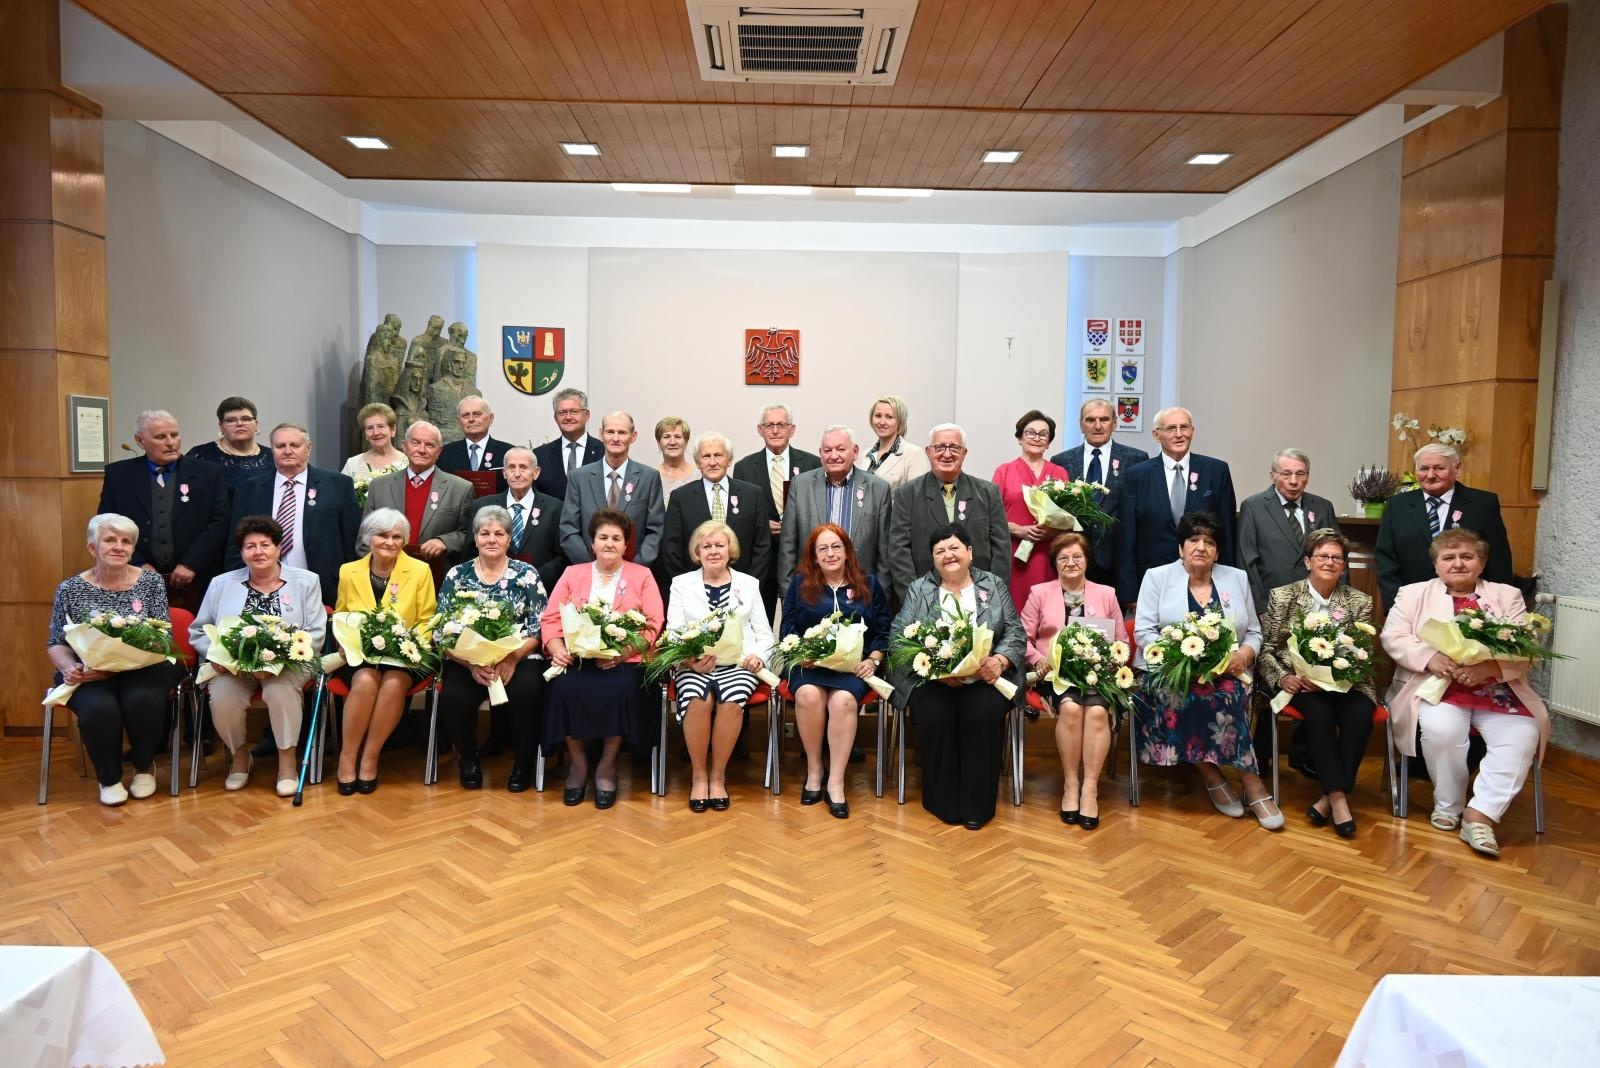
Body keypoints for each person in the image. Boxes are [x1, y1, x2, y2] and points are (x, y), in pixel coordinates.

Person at [1380, 529, 1547, 858]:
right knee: (1442, 729)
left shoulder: (1506, 595)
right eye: (1448, 558)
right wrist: (1431, 658)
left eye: (1467, 557)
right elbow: (1393, 637)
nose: (1458, 564)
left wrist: (1490, 670)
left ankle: (1480, 814)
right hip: (1436, 685)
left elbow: (1527, 647)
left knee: (1524, 733)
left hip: (1495, 690)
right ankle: (1448, 805)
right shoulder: (1413, 594)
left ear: (1481, 563)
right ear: (1436, 565)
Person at [1132, 511, 1283, 830]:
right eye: (1193, 540)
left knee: (1225, 697)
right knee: (1184, 696)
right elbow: (1144, 632)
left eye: (1209, 542)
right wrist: (1181, 660)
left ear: (1217, 550)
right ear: (1180, 547)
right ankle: (1217, 776)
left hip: (1227, 673)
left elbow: (1255, 632)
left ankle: (1247, 783)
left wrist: (1243, 655)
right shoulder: (1157, 577)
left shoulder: (1236, 578)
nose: (1201, 547)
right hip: (1170, 671)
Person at [888, 524, 1025, 830]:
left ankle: (977, 805)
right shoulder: (920, 589)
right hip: (935, 681)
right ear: (933, 559)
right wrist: (932, 671)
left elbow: (1014, 630)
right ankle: (943, 801)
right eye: (939, 551)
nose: (948, 555)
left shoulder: (993, 584)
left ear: (969, 552)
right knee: (935, 715)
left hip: (984, 678)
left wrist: (1000, 661)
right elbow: (898, 638)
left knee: (981, 715)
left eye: (954, 548)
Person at [46, 514, 177, 806]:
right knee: (99, 708)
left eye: (126, 541)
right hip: (89, 671)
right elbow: (56, 641)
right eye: (110, 540)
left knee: (141, 700)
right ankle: (109, 778)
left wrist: (117, 664)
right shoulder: (70, 588)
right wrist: (70, 667)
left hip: (145, 666)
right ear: (93, 547)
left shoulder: (151, 582)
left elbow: (163, 637)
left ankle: (144, 767)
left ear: (132, 549)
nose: (118, 546)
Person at [190, 517, 325, 796]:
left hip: (291, 663)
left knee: (278, 692)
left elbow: (315, 631)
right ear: (242, 553)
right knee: (224, 697)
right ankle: (240, 758)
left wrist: (279, 659)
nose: (258, 551)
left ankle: (287, 763)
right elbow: (199, 631)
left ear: (278, 548)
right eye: (250, 546)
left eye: (265, 544)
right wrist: (221, 658)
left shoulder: (306, 581)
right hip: (233, 666)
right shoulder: (221, 584)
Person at [1257, 530, 1377, 838]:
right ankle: (1338, 800)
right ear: (1308, 561)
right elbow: (1267, 648)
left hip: (1347, 683)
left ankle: (1328, 798)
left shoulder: (1359, 601)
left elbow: (1362, 653)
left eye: (1337, 558)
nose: (1330, 562)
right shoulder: (1283, 595)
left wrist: (1334, 680)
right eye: (1323, 556)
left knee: (1361, 714)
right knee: (1320, 714)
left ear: (1344, 565)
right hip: (1298, 683)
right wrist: (1283, 677)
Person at [541, 509, 664, 809]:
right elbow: (551, 618)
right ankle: (579, 763)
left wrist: (623, 653)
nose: (609, 543)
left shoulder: (642, 575)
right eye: (603, 537)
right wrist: (557, 648)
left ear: (626, 545)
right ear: (592, 544)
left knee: (622, 688)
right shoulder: (573, 574)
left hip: (624, 661)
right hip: (577, 659)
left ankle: (608, 764)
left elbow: (653, 623)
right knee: (562, 688)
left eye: (617, 538)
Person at [779, 523, 891, 818]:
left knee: (842, 701)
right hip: (809, 666)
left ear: (847, 551)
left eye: (836, 547)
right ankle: (815, 770)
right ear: (814, 557)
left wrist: (875, 659)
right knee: (808, 696)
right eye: (823, 549)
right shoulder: (800, 583)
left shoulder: (869, 583)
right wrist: (800, 655)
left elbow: (883, 631)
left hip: (854, 669)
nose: (831, 553)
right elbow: (787, 628)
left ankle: (836, 781)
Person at [436, 507, 548, 792]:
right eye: (485, 533)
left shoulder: (527, 574)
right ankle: (469, 760)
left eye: (499, 533)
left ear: (510, 539)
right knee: (454, 695)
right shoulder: (456, 575)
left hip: (519, 657)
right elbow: (441, 631)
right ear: (475, 538)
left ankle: (523, 764)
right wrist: (471, 664)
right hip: (468, 661)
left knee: (528, 691)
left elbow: (538, 626)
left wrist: (512, 658)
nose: (492, 539)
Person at [666, 521, 773, 812]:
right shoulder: (681, 584)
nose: (713, 551)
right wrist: (689, 658)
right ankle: (699, 777)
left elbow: (764, 634)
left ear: (730, 550)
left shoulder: (749, 584)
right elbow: (674, 631)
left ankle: (718, 777)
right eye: (707, 546)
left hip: (739, 663)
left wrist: (757, 657)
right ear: (697, 552)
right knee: (698, 699)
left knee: (731, 701)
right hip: (695, 664)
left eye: (719, 545)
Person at [1018, 532, 1123, 830]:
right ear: (1055, 564)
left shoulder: (1107, 594)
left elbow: (1122, 641)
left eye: (1077, 556)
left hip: (1096, 675)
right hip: (1054, 675)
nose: (1071, 563)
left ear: (1087, 560)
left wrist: (1108, 661)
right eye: (1063, 558)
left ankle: (1090, 789)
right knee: (1072, 709)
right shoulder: (1040, 593)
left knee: (1098, 712)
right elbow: (1021, 638)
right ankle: (1070, 784)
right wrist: (1040, 661)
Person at [332, 508, 438, 793]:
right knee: (365, 681)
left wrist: (414, 643)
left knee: (392, 684)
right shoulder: (348, 571)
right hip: (361, 653)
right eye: (382, 535)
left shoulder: (419, 570)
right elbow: (341, 614)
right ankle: (347, 756)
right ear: (368, 538)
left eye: (396, 536)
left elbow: (428, 618)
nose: (389, 542)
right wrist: (343, 641)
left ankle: (370, 757)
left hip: (406, 653)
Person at [97, 409, 230, 611]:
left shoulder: (208, 473)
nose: (171, 442)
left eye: (174, 435)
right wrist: (138, 564)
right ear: (140, 441)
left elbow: (220, 523)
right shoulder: (119, 475)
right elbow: (107, 524)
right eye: (161, 437)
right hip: (134, 579)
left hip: (197, 580)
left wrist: (191, 563)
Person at [1116, 407, 1238, 607]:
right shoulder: (1137, 475)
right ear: (1157, 434)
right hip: (1153, 579)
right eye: (1171, 428)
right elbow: (1127, 536)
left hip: (1206, 579)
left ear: (1193, 431)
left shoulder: (1216, 470)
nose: (1179, 434)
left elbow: (1228, 534)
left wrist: (1228, 582)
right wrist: (1129, 592)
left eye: (1184, 427)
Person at [226, 422, 359, 602]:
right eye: (280, 446)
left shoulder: (338, 485)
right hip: (261, 586)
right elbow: (236, 543)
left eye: (295, 445)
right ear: (272, 450)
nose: (287, 451)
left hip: (324, 585)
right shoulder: (249, 489)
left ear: (308, 448)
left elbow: (351, 540)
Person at [1376, 443, 1514, 611]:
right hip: (1413, 605)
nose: (1430, 475)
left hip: (1471, 607)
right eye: (1423, 469)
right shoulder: (1397, 505)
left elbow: (1499, 560)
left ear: (1457, 469)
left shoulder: (1483, 504)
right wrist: (1396, 606)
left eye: (1439, 468)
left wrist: (1499, 607)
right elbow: (1386, 559)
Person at [887, 424, 1010, 601]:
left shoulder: (988, 492)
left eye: (954, 447)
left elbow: (1001, 550)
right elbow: (899, 550)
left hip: (979, 595)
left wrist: (991, 595)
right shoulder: (907, 494)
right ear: (928, 451)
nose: (946, 454)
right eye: (939, 447)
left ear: (964, 453)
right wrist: (915, 599)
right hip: (925, 596)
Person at [778, 426, 893, 595]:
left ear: (855, 452)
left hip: (861, 589)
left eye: (840, 449)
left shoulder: (878, 488)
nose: (833, 456)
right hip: (811, 590)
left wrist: (881, 597)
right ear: (820, 454)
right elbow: (787, 546)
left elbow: (885, 551)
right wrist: (787, 595)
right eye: (827, 450)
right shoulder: (800, 485)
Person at [733, 403, 822, 615]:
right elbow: (741, 514)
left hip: (802, 557)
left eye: (781, 425)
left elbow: (817, 507)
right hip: (763, 559)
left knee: (802, 621)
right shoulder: (744, 467)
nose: (775, 431)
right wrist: (763, 525)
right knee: (759, 621)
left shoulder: (812, 463)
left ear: (792, 429)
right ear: (760, 429)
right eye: (769, 425)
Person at [1050, 398, 1149, 587]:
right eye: (1090, 420)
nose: (1097, 426)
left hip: (1118, 561)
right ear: (1081, 425)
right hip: (1073, 560)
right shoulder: (1061, 461)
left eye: (1104, 419)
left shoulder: (1136, 459)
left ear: (1115, 423)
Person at [1238, 449, 1342, 614]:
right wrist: (1260, 610)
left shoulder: (1323, 507)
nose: (1294, 481)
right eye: (1286, 474)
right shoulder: (1253, 507)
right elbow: (1247, 563)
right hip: (1273, 606)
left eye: (1300, 474)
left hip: (1320, 605)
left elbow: (1339, 557)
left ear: (1307, 477)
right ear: (1273, 476)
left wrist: (1341, 605)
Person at [559, 411, 665, 567]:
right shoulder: (579, 477)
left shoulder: (649, 478)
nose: (615, 438)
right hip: (589, 571)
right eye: (610, 432)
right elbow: (568, 529)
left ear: (633, 436)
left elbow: (656, 530)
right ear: (601, 434)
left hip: (634, 573)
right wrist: (595, 567)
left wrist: (633, 568)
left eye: (622, 432)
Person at [662, 431, 771, 582]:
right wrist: (687, 587)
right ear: (698, 463)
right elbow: (671, 549)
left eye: (718, 455)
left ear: (729, 460)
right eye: (706, 456)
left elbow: (763, 546)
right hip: (694, 590)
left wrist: (749, 586)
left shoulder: (753, 495)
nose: (712, 462)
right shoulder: (680, 498)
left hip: (744, 588)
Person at [363, 420, 475, 567]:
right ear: (404, 446)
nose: (422, 450)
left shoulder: (460, 488)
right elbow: (365, 536)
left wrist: (445, 541)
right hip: (386, 571)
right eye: (415, 442)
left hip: (435, 573)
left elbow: (469, 534)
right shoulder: (380, 486)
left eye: (429, 445)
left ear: (439, 451)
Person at [993, 409, 1071, 611]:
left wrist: (1050, 532)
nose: (1037, 438)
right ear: (1020, 437)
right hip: (1013, 553)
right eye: (1030, 432)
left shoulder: (1059, 473)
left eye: (1043, 434)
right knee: (1013, 609)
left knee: (1047, 611)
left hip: (1048, 554)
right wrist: (1019, 530)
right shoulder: (1004, 471)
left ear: (1049, 442)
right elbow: (991, 518)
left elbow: (1069, 520)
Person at [468, 447, 567, 593]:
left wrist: (532, 578)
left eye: (524, 467)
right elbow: (470, 551)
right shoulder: (481, 506)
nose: (517, 474)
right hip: (490, 591)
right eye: (511, 467)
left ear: (536, 472)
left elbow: (561, 556)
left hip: (539, 589)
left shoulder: (555, 508)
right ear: (504, 473)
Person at [186, 396, 275, 487]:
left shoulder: (273, 457)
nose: (239, 424)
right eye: (231, 420)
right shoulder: (200, 455)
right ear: (221, 426)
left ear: (256, 424)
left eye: (246, 419)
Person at [532, 387, 603, 501]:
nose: (568, 417)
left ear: (587, 415)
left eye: (574, 411)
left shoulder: (603, 451)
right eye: (562, 413)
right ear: (556, 418)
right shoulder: (540, 454)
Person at [438, 395, 513, 492]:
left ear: (490, 418)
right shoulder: (444, 453)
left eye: (477, 414)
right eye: (465, 415)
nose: (471, 419)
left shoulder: (508, 452)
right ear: (459, 422)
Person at [862, 393, 929, 490]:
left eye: (889, 417)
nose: (882, 422)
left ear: (900, 422)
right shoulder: (866, 454)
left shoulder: (913, 454)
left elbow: (918, 496)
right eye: (878, 416)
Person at [340, 402, 406, 481]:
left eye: (381, 426)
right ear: (365, 434)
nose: (376, 433)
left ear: (393, 430)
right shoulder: (353, 464)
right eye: (370, 428)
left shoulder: (407, 463)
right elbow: (340, 492)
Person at [654, 416, 698, 497]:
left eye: (678, 437)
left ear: (686, 442)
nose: (672, 442)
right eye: (667, 437)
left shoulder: (699, 476)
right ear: (659, 443)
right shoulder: (651, 477)